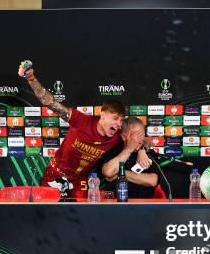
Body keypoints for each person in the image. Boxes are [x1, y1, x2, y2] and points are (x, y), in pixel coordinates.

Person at [18, 62, 151, 198]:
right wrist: (31, 79)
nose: (118, 124)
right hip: (56, 174)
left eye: (121, 120)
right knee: (47, 210)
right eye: (115, 118)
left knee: (81, 213)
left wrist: (142, 151)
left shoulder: (117, 135)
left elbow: (142, 140)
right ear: (103, 114)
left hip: (80, 179)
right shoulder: (81, 121)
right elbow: (50, 102)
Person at [101, 117, 160, 198]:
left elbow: (152, 181)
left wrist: (121, 173)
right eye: (136, 135)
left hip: (142, 205)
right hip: (115, 204)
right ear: (124, 137)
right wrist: (129, 149)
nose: (140, 139)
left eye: (142, 135)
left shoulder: (146, 152)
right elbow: (108, 172)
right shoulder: (113, 149)